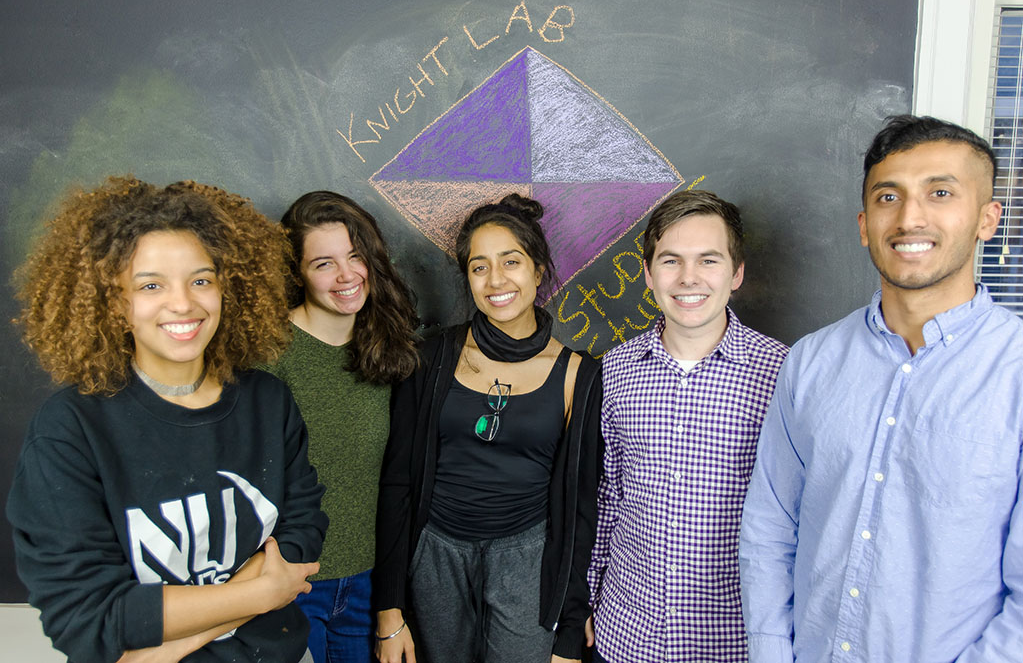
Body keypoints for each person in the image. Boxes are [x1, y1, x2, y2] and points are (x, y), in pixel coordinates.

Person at [7, 177, 328, 663]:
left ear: (228, 289)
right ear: (114, 304)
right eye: (150, 285)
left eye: (201, 280)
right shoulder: (70, 430)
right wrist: (260, 594)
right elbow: (90, 617)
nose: (183, 303)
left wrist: (169, 646)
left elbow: (304, 530)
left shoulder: (269, 401)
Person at [738, 115, 1023, 662]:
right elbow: (771, 529)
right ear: (865, 224)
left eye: (940, 192)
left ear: (988, 218)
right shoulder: (811, 361)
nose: (910, 217)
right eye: (889, 196)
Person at [373, 194, 603, 663]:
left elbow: (581, 508)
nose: (496, 280)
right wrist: (389, 609)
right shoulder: (430, 359)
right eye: (479, 267)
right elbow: (397, 483)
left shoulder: (578, 374)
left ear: (539, 271)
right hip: (435, 554)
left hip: (528, 559)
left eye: (511, 262)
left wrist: (569, 624)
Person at [587, 190, 788, 662]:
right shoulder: (613, 371)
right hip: (626, 633)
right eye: (671, 260)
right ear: (648, 274)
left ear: (736, 273)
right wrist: (587, 599)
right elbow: (606, 497)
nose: (689, 278)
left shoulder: (782, 374)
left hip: (733, 641)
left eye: (709, 260)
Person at [263, 191, 419, 663]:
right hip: (290, 586)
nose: (347, 275)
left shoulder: (389, 348)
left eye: (355, 256)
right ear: (299, 274)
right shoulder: (270, 355)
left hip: (369, 588)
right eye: (324, 263)